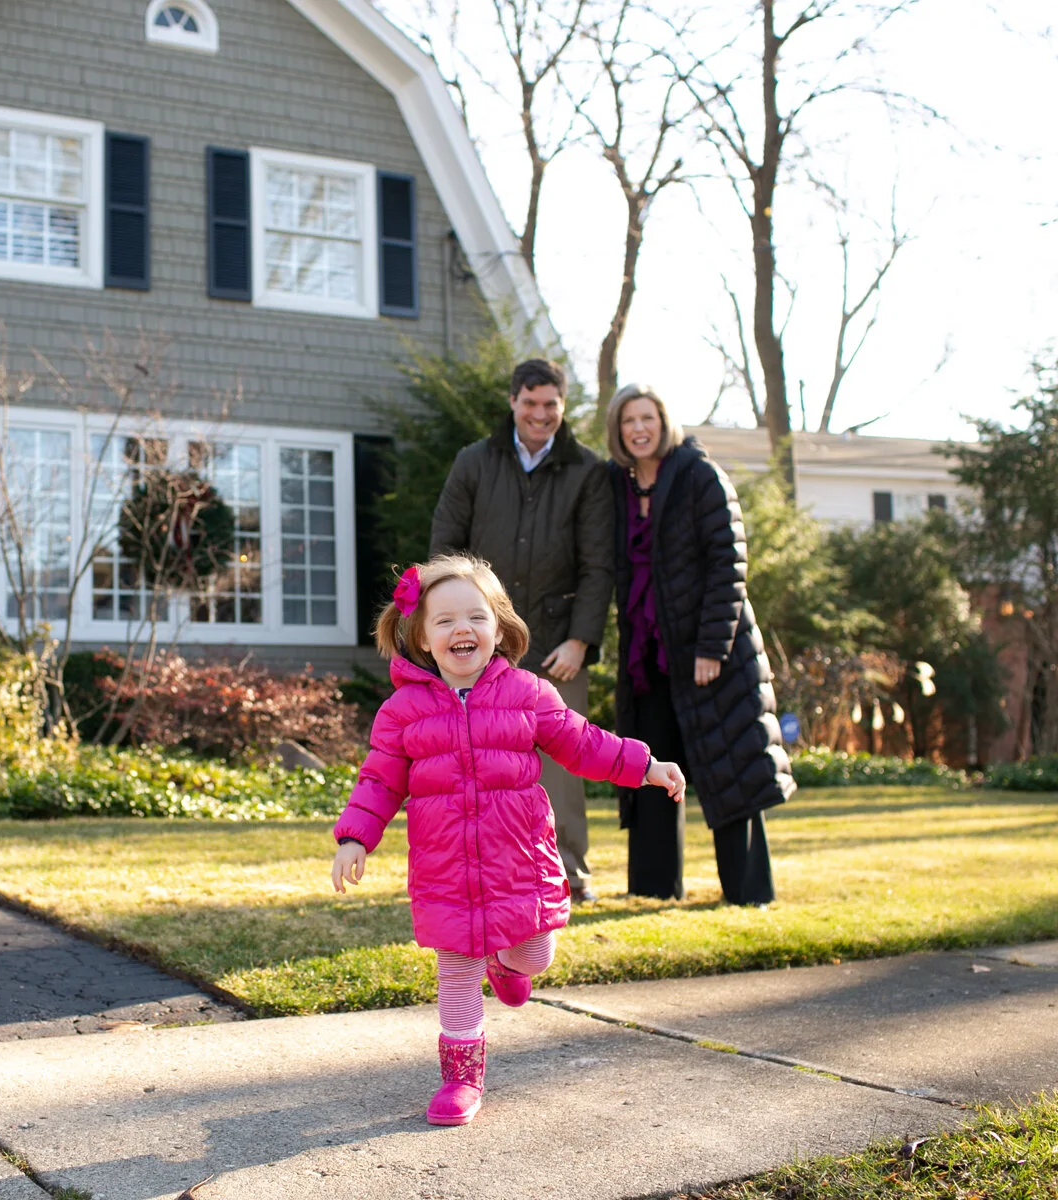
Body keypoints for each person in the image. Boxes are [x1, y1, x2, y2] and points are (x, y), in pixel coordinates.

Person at [330, 554, 684, 1126]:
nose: (460, 630)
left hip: (517, 862)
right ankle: (461, 1079)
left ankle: (508, 959)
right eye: (443, 621)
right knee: (456, 967)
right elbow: (379, 781)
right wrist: (355, 839)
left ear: (498, 626)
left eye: (475, 617)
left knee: (535, 955)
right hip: (446, 867)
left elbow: (584, 744)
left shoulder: (528, 693)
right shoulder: (401, 713)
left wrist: (644, 766)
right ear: (420, 635)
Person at [430, 358, 614, 903]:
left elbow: (599, 565)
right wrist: (451, 632)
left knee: (563, 761)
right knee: (479, 766)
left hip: (558, 643)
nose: (540, 414)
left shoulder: (587, 471)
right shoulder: (474, 462)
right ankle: (486, 876)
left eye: (550, 405)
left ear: (562, 405)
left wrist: (581, 639)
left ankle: (570, 873)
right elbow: (443, 551)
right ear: (513, 402)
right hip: (480, 643)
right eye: (530, 403)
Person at [604, 384, 794, 904]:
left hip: (710, 655)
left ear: (664, 421)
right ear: (618, 431)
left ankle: (749, 892)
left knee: (729, 766)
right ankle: (653, 888)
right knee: (650, 767)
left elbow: (728, 565)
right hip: (646, 656)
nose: (639, 428)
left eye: (647, 417)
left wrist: (713, 647)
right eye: (628, 421)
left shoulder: (699, 475)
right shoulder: (615, 485)